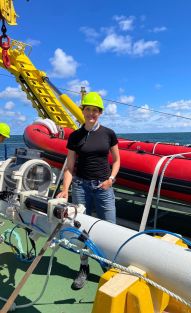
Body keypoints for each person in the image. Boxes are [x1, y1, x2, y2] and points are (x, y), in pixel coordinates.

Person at [57, 91, 120, 290]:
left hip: (103, 187)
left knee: (110, 228)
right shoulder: (75, 136)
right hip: (81, 187)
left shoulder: (108, 134)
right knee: (81, 229)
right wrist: (65, 189)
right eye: (88, 109)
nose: (91, 113)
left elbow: (117, 161)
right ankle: (84, 268)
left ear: (100, 113)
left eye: (95, 110)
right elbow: (69, 166)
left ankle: (109, 267)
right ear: (82, 111)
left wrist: (111, 179)